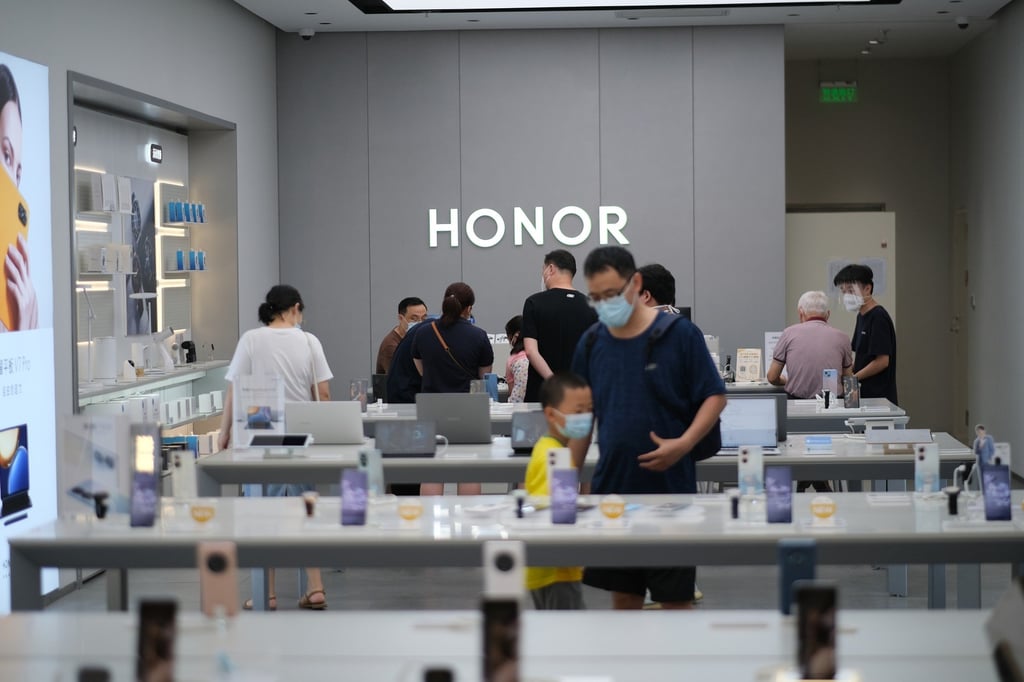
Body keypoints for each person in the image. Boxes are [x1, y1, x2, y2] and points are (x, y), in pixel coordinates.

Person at [570, 246, 726, 610]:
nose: (604, 303)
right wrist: (569, 485)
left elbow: (714, 396)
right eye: (595, 297)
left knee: (675, 601)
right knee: (624, 599)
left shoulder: (680, 335)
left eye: (611, 294)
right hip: (614, 491)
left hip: (671, 492)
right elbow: (581, 418)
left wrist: (684, 444)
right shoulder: (592, 341)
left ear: (636, 283)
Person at [218, 285, 331, 610]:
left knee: (261, 514)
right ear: (295, 308)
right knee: (305, 511)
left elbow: (233, 391)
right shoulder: (309, 341)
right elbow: (322, 394)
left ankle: (265, 592)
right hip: (300, 438)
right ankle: (316, 586)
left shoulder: (251, 340)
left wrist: (224, 432)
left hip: (259, 436)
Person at [412, 282, 492, 496]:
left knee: (431, 470)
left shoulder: (423, 333)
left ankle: (428, 522)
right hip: (468, 410)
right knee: (469, 469)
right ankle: (467, 524)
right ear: (469, 309)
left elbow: (420, 369)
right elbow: (484, 377)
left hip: (431, 407)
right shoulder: (479, 336)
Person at [523, 372, 591, 609]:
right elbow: (557, 515)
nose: (586, 418)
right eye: (579, 411)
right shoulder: (556, 457)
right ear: (551, 414)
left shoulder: (546, 447)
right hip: (558, 570)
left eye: (589, 411)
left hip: (546, 569)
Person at [521, 249, 596, 402]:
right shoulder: (592, 306)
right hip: (579, 392)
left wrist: (554, 381)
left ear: (550, 269)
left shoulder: (534, 303)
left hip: (542, 392)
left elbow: (530, 351)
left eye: (543, 270)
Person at [0, 63, 37, 332]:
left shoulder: (16, 295)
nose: (12, 181)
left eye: (18, 171)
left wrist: (23, 333)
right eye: (5, 155)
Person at [767, 291, 852, 399]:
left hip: (796, 403)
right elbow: (849, 380)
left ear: (800, 312)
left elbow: (772, 377)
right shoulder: (842, 337)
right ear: (828, 314)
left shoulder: (788, 333)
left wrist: (785, 380)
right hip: (832, 405)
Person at [833, 264, 898, 404]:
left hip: (879, 397)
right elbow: (861, 357)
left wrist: (853, 379)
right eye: (843, 291)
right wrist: (845, 376)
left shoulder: (878, 316)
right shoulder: (861, 316)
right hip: (864, 394)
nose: (846, 296)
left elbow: (882, 361)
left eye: (851, 290)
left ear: (867, 288)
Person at [375, 296, 428, 374]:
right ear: (400, 318)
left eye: (424, 319)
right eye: (414, 319)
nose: (420, 323)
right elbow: (400, 377)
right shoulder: (391, 345)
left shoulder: (418, 339)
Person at [504, 315, 528, 403]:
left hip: (517, 408)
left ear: (515, 336)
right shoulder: (537, 356)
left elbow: (511, 392)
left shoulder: (513, 359)